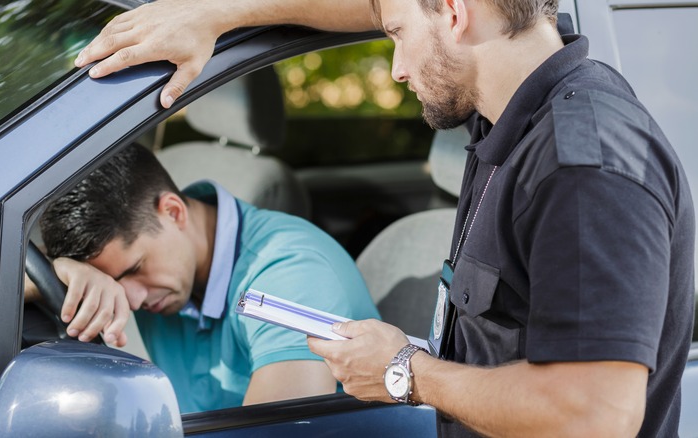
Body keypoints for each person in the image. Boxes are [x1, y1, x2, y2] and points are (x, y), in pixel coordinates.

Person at [74, 1, 695, 436]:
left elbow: (594, 415)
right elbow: (373, 3)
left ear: (453, 11)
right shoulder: (510, 114)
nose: (395, 67)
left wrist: (405, 373)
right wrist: (216, 15)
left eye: (395, 33)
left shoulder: (582, 165)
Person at [35, 143, 380, 413]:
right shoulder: (156, 270)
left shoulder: (291, 272)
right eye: (109, 281)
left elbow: (273, 434)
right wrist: (63, 272)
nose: (132, 301)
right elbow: (2, 286)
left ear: (173, 212)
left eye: (135, 269)